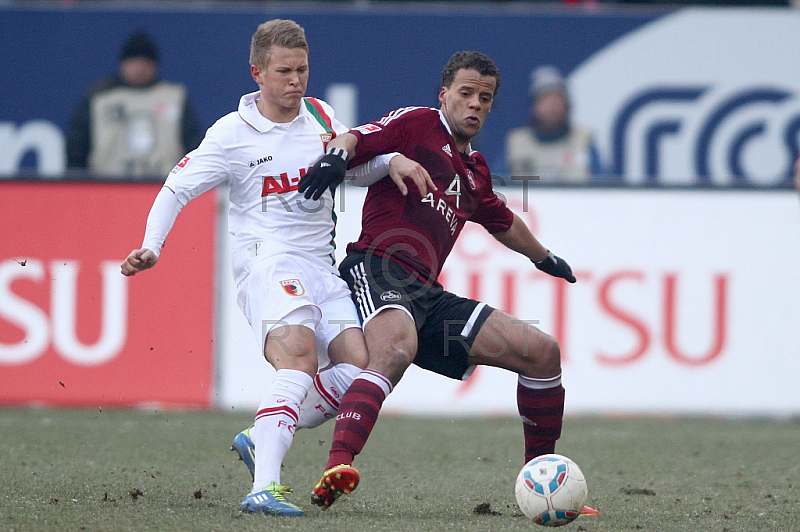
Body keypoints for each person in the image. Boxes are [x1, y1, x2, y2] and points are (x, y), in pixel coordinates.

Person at [120, 19, 429, 517]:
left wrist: (390, 159)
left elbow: (352, 165)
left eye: (303, 69)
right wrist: (151, 245)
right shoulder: (232, 133)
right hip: (267, 264)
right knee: (301, 361)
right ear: (257, 72)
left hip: (321, 269)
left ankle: (261, 434)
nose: (296, 81)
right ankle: (264, 486)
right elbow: (177, 188)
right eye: (284, 71)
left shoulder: (321, 115)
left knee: (358, 369)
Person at [297, 51, 585, 512]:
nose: (474, 104)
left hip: (427, 294)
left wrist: (544, 257)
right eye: (465, 93)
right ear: (444, 95)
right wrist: (335, 157)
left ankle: (542, 482)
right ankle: (338, 463)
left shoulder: (475, 172)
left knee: (541, 351)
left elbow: (503, 221)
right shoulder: (417, 124)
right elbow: (356, 137)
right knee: (394, 347)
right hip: (378, 267)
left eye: (484, 97)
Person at [66, 30, 204, 178]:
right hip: (107, 186)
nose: (140, 68)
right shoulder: (100, 99)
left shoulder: (174, 98)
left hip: (164, 185)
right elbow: (77, 146)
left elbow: (193, 145)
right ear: (123, 64)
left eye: (146, 62)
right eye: (134, 62)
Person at [505, 65, 603, 182]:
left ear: (567, 106)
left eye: (557, 99)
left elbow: (603, 187)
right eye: (545, 99)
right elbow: (496, 187)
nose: (552, 106)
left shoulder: (583, 141)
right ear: (534, 106)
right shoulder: (516, 143)